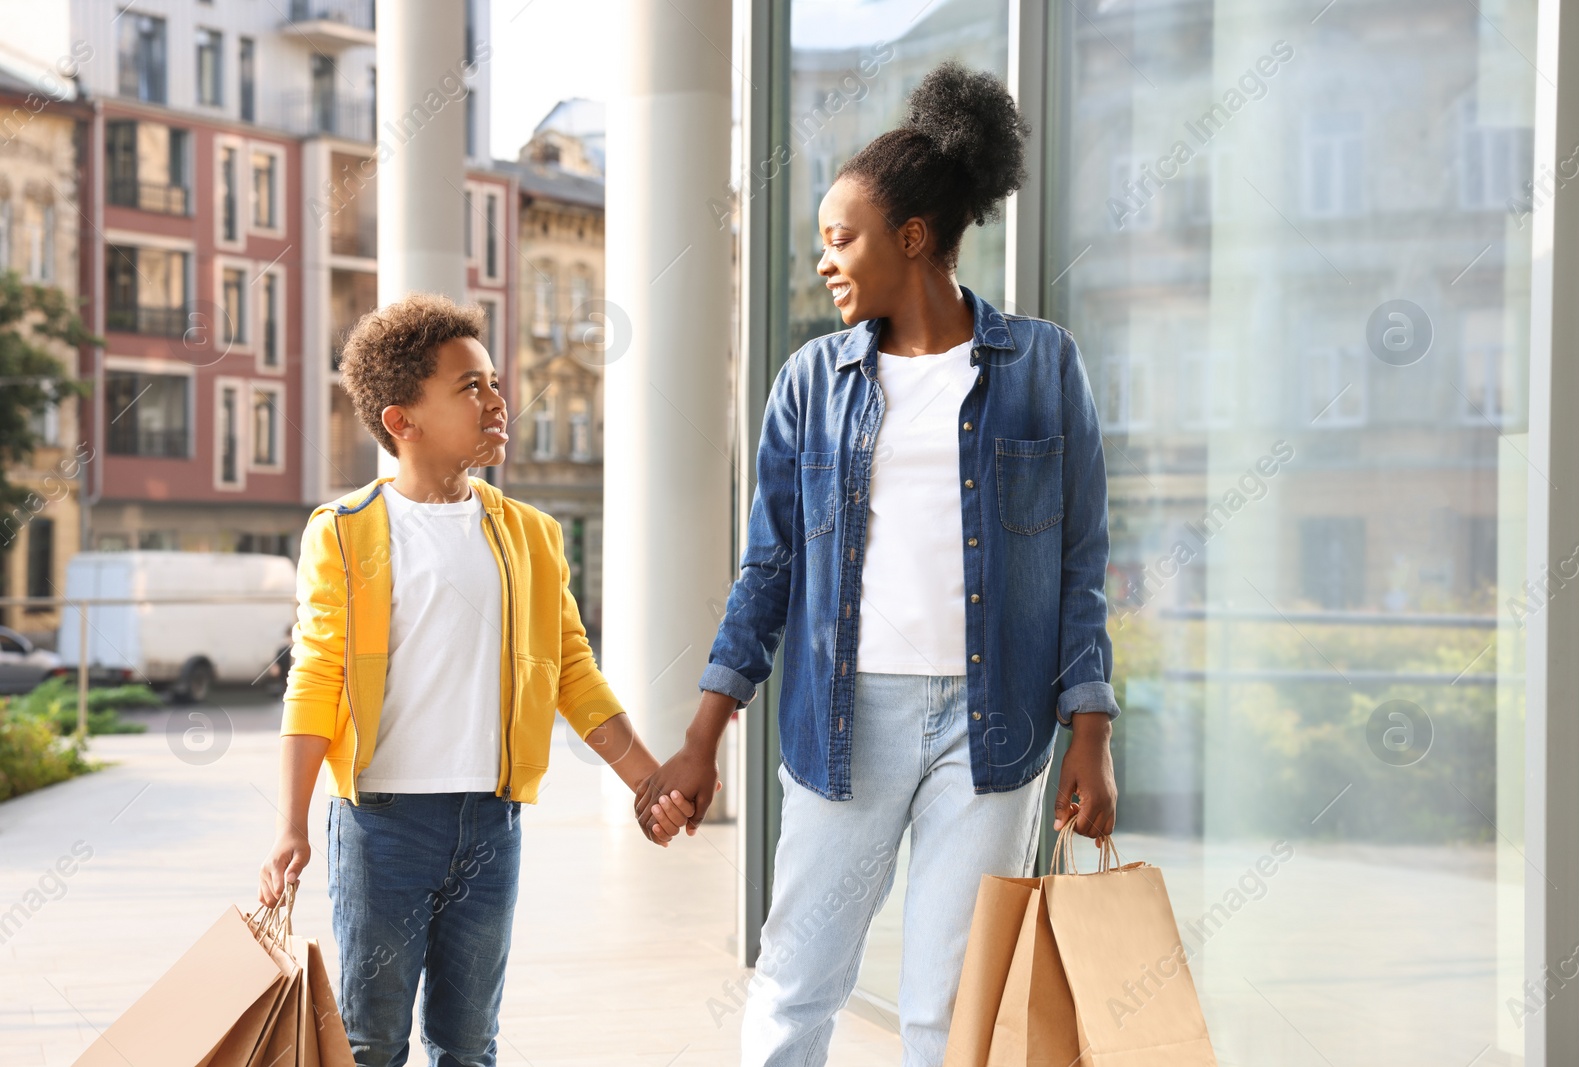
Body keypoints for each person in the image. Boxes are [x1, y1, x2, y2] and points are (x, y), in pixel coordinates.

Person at [635, 61, 1121, 1066]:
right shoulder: (811, 381)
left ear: (911, 238)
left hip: (994, 732)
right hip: (842, 721)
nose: (824, 261)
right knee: (796, 981)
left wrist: (1092, 730)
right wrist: (701, 733)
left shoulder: (1041, 364)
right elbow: (767, 569)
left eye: (839, 236)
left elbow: (1079, 561)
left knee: (950, 1004)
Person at [258, 294, 694, 1066]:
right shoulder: (346, 531)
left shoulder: (530, 534)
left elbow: (573, 675)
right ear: (402, 420)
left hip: (490, 825)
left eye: (493, 381)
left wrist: (648, 781)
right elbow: (316, 676)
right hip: (381, 826)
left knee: (469, 1042)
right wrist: (292, 822)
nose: (498, 400)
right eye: (471, 386)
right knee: (369, 1043)